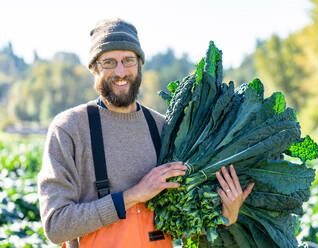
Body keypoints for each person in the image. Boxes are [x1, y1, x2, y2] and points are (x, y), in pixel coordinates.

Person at [37, 18, 254, 248]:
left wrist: (225, 216)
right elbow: (56, 226)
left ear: (140, 63)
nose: (120, 72)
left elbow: (184, 225)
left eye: (128, 60)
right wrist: (134, 195)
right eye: (108, 62)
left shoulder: (166, 130)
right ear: (93, 68)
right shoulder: (69, 129)